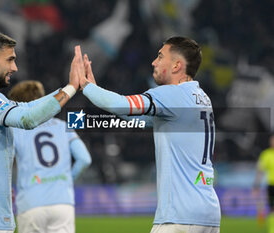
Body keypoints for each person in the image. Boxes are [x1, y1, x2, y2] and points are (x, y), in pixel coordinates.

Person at [77, 36, 221, 233]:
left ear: (177, 65)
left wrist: (86, 87)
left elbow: (123, 104)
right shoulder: (202, 98)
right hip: (208, 215)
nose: (154, 62)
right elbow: (138, 117)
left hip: (179, 216)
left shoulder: (171, 94)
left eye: (161, 57)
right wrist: (98, 92)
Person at [0, 29, 84, 233]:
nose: (15, 67)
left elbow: (27, 107)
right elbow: (29, 118)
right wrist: (70, 89)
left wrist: (70, 87)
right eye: (10, 60)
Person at [7, 80, 92, 233]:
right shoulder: (63, 126)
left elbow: (4, 164)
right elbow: (85, 159)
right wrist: (67, 181)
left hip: (31, 202)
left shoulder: (15, 130)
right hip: (62, 203)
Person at [254, 134, 274, 233]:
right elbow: (260, 171)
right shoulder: (266, 154)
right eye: (272, 140)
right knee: (271, 209)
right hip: (271, 186)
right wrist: (256, 186)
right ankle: (272, 229)